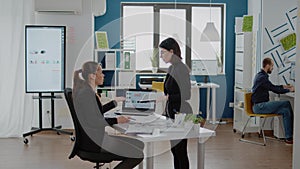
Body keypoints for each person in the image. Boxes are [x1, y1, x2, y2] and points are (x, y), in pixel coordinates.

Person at [73, 61, 144, 169]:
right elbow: (94, 121)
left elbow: (96, 113)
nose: (103, 75)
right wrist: (117, 120)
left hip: (93, 139)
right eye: (101, 73)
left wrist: (114, 102)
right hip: (95, 143)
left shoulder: (86, 91)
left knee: (139, 144)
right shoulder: (87, 94)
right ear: (92, 76)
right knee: (137, 155)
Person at [159, 37, 192, 169]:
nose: (161, 56)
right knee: (175, 149)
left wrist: (168, 98)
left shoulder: (181, 68)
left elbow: (186, 95)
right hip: (172, 113)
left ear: (172, 52)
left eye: (163, 52)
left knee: (180, 151)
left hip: (181, 113)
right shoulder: (172, 68)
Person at [251, 57, 294, 144]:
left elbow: (272, 86)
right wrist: (290, 90)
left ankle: (289, 137)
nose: (272, 68)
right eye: (272, 66)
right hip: (260, 107)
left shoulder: (261, 75)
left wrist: (284, 86)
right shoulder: (262, 78)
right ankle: (293, 134)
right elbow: (274, 89)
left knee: (285, 111)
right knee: (287, 103)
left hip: (260, 105)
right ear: (267, 66)